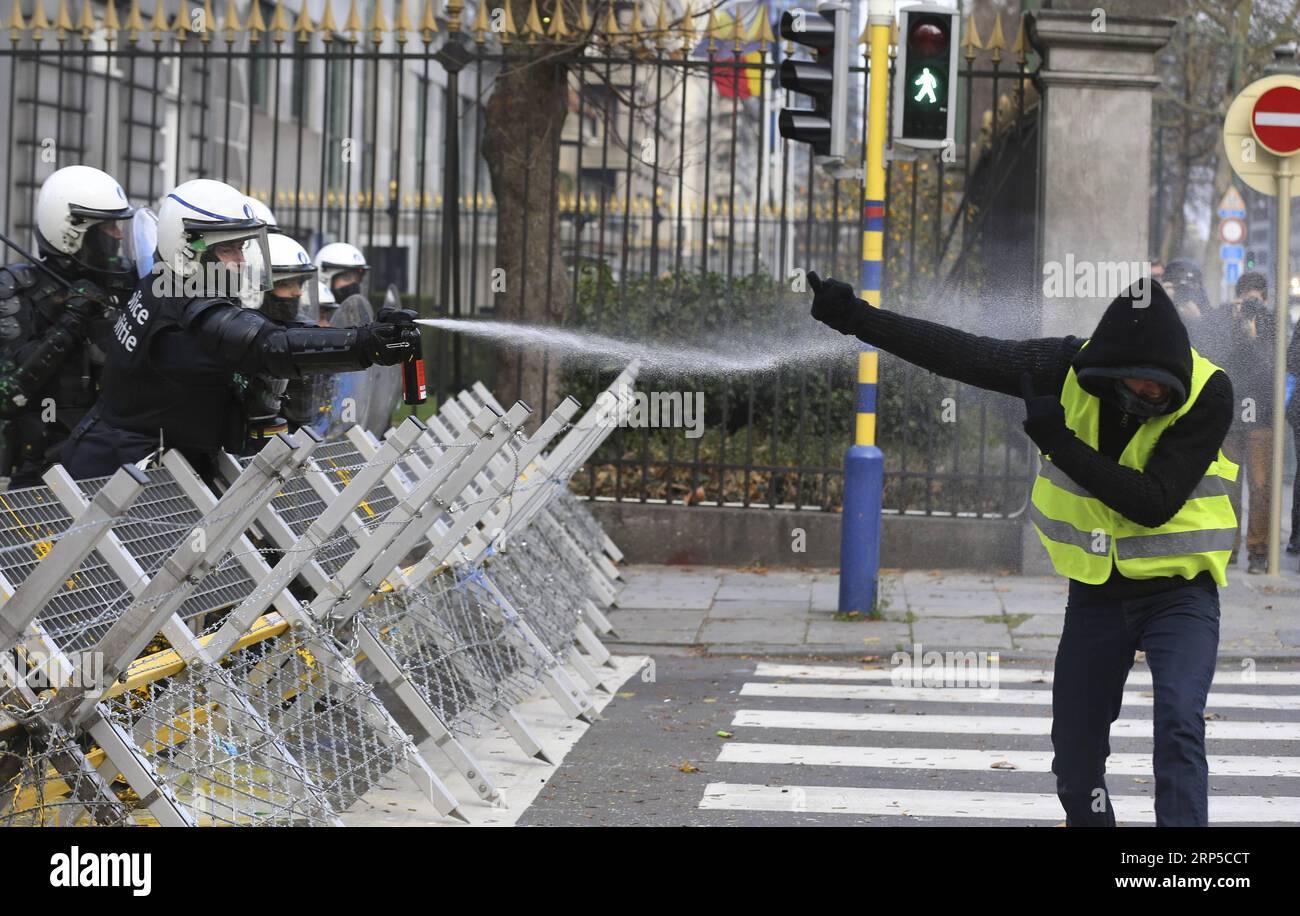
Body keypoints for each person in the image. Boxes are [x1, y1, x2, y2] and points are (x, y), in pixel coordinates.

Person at [809, 272, 1236, 827]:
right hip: (1097, 595)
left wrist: (1058, 441)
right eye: (1139, 383)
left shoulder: (1208, 392)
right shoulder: (1066, 369)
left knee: (1179, 724)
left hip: (1181, 595)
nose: (1151, 395)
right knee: (1076, 760)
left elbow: (1152, 502)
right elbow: (963, 354)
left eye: (1161, 386)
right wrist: (857, 318)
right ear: (1108, 368)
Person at [61, 178, 420, 481]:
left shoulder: (167, 284)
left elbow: (268, 332)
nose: (242, 261)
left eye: (243, 247)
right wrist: (364, 343)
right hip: (122, 478)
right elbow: (267, 346)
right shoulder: (186, 303)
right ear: (189, 247)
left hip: (154, 468)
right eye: (230, 249)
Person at [0, 165, 135, 488]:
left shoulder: (120, 285)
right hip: (37, 468)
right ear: (71, 229)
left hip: (108, 455)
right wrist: (71, 320)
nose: (118, 235)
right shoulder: (17, 289)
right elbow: (8, 394)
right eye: (109, 226)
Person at [1222, 272, 1275, 574]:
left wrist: (1254, 337)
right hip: (1231, 417)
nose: (1252, 303)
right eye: (1247, 297)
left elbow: (1272, 370)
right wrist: (1236, 327)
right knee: (1229, 486)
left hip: (1262, 417)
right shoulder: (1227, 323)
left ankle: (1258, 550)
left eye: (1257, 296)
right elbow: (1220, 360)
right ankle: (1228, 547)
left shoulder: (1272, 325)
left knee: (1260, 485)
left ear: (1264, 299)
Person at [314, 241, 368, 325]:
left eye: (357, 279)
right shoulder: (314, 317)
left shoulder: (358, 317)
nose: (354, 284)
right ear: (324, 277)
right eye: (346, 278)